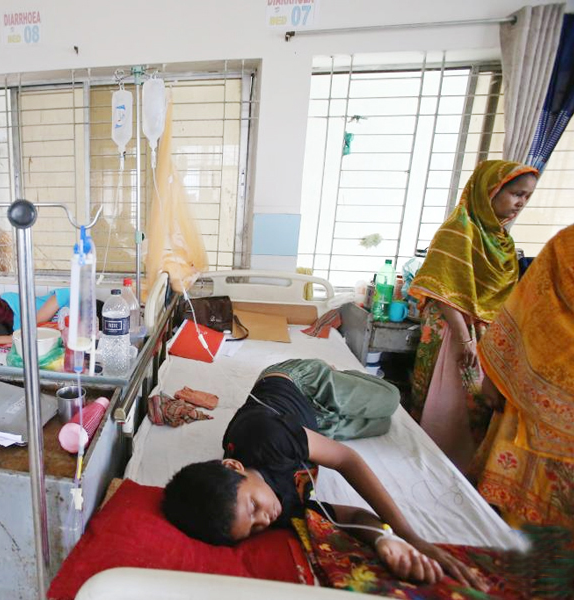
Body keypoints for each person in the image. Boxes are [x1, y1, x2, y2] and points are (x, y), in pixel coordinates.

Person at [163, 358, 486, 591]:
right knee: (382, 424)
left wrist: (409, 536)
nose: (265, 518)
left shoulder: (267, 439)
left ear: (233, 466)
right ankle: (324, 419)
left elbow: (346, 459)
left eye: (254, 507)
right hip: (306, 423)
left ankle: (332, 372)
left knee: (390, 400)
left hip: (293, 382)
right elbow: (349, 516)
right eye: (255, 527)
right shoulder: (276, 512)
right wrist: (384, 540)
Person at [408, 160, 538, 472]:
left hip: (485, 335)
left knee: (477, 410)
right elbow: (442, 289)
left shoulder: (502, 240)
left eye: (527, 196)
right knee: (446, 405)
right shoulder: (458, 230)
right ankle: (431, 470)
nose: (521, 202)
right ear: (489, 191)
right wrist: (465, 339)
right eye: (515, 193)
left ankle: (463, 474)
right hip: (453, 331)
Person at [473, 224, 574, 528]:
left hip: (535, 385)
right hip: (535, 387)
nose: (519, 204)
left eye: (526, 200)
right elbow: (528, 309)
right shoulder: (565, 246)